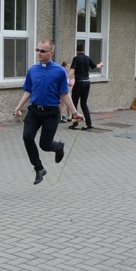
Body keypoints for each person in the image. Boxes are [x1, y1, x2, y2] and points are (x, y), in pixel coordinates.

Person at [13, 40, 83, 185]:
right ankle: (39, 168)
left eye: (42, 51)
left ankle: (58, 146)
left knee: (44, 145)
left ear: (51, 53)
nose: (39, 53)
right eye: (37, 50)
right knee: (27, 137)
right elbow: (28, 91)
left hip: (51, 113)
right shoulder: (32, 70)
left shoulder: (59, 71)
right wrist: (18, 107)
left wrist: (75, 113)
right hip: (34, 111)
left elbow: (65, 94)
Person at [69, 43, 104, 130]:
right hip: (87, 82)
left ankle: (75, 124)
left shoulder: (76, 58)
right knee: (84, 103)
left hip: (79, 82)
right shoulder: (87, 58)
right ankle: (89, 123)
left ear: (76, 50)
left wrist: (66, 77)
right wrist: (101, 64)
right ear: (84, 50)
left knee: (74, 102)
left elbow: (72, 69)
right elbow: (96, 66)